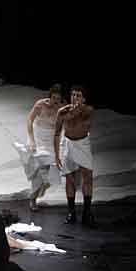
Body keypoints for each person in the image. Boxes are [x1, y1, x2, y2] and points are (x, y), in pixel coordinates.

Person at [53, 84, 95, 227]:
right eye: (73, 95)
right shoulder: (63, 112)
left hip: (82, 143)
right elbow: (57, 133)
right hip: (68, 144)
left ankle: (87, 213)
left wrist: (76, 108)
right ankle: (71, 213)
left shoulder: (87, 110)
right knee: (69, 179)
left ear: (83, 98)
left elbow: (83, 115)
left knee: (87, 177)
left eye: (78, 95)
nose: (75, 98)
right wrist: (56, 154)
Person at [19, 84, 64, 210]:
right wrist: (32, 141)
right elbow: (29, 120)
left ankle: (38, 193)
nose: (55, 101)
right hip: (38, 137)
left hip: (51, 140)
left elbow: (60, 129)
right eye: (54, 98)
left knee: (53, 171)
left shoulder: (61, 109)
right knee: (38, 170)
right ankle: (33, 198)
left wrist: (59, 146)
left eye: (58, 99)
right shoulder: (40, 105)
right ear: (49, 97)